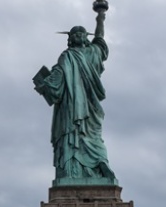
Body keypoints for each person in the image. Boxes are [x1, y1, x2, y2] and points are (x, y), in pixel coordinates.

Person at [33, 6, 116, 185]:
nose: (78, 36)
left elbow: (100, 38)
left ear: (86, 38)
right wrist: (46, 84)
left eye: (81, 34)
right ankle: (74, 170)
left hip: (87, 106)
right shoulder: (68, 57)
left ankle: (100, 164)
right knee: (77, 137)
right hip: (71, 107)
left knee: (91, 136)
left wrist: (101, 17)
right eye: (75, 34)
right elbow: (56, 81)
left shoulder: (90, 53)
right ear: (70, 40)